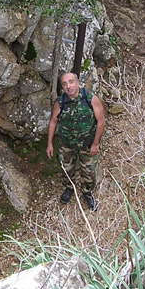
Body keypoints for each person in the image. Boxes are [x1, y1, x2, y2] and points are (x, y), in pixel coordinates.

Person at [46, 72, 106, 211]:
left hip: (87, 144)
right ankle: (69, 188)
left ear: (78, 83)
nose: (69, 86)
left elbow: (101, 121)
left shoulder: (90, 99)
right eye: (65, 84)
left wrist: (95, 143)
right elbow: (53, 122)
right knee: (66, 169)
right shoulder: (61, 102)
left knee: (89, 172)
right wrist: (49, 143)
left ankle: (87, 192)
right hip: (67, 145)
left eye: (71, 82)